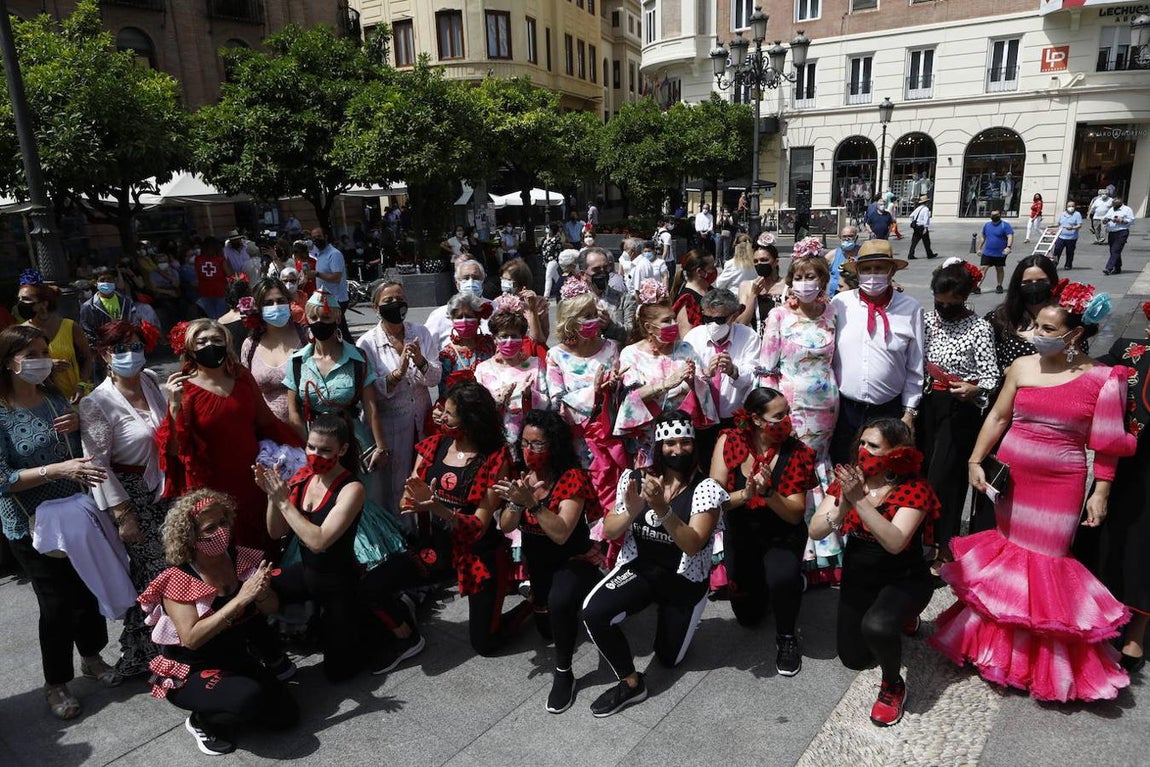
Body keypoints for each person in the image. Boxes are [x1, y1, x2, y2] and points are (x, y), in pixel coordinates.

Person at [933, 282, 1136, 702]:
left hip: (1061, 484)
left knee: (1047, 564)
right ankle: (994, 651)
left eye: (1047, 328)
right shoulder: (1022, 367)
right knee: (1010, 560)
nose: (1037, 334)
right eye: (1036, 326)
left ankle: (1039, 664)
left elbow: (1107, 443)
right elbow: (998, 417)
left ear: (1075, 334)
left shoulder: (1103, 378)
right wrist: (975, 460)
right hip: (1012, 478)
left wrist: (1100, 492)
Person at [0, 325, 122, 720]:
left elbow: (78, 448)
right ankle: (55, 683)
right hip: (31, 524)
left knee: (87, 590)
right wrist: (57, 469)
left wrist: (78, 425)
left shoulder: (53, 398)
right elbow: (2, 479)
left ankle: (92, 657)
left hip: (75, 513)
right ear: (8, 362)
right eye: (31, 353)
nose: (42, 360)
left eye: (43, 351)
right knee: (55, 604)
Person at [582, 410, 728, 717]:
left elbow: (692, 542)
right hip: (642, 568)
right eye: (670, 443)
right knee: (593, 612)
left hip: (683, 582)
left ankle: (685, 611)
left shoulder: (706, 489)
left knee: (668, 659)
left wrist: (662, 508)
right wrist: (631, 511)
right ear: (658, 446)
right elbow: (609, 531)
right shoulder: (635, 479)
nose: (678, 450)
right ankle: (631, 682)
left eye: (685, 442)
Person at [256, 414, 422, 681]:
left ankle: (396, 613)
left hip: (339, 583)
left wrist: (285, 503)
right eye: (311, 447)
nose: (314, 455)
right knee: (256, 590)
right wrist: (272, 497)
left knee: (338, 674)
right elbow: (276, 532)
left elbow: (318, 541)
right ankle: (273, 656)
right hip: (307, 572)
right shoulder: (303, 476)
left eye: (325, 450)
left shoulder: (351, 488)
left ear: (342, 450)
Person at [137, 490, 298, 756]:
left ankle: (240, 695)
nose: (221, 531)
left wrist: (263, 593)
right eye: (210, 528)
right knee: (248, 698)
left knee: (287, 717)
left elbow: (272, 608)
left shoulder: (239, 558)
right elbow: (191, 638)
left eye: (223, 522)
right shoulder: (178, 578)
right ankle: (203, 721)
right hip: (191, 670)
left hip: (232, 658)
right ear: (190, 536)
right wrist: (241, 599)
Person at [808, 418, 939, 726]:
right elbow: (815, 530)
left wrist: (859, 501)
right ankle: (895, 618)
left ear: (896, 452)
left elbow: (895, 542)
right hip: (860, 571)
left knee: (877, 627)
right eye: (862, 443)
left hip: (903, 574)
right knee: (854, 659)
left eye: (874, 446)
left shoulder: (914, 487)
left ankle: (893, 684)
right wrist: (841, 509)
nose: (864, 450)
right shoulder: (851, 480)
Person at [403, 381, 531, 655]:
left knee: (485, 644)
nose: (441, 417)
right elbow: (412, 489)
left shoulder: (495, 459)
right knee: (379, 582)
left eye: (449, 414)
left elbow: (480, 525)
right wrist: (413, 500)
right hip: (438, 550)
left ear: (471, 421)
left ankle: (533, 605)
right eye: (442, 410)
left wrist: (438, 508)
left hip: (478, 555)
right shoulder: (435, 444)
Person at [158, 319, 302, 553]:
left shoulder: (242, 377)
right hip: (212, 486)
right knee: (227, 548)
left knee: (264, 545)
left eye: (216, 340)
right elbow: (175, 451)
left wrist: (302, 450)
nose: (209, 346)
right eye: (201, 341)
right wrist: (174, 408)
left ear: (227, 344)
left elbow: (267, 422)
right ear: (190, 348)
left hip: (252, 479)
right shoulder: (184, 389)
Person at [494, 410, 604, 713]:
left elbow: (561, 533)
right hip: (538, 563)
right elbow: (505, 526)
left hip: (573, 558)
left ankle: (564, 672)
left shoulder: (572, 477)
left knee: (560, 601)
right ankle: (538, 602)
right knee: (547, 627)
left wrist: (534, 504)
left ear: (554, 445)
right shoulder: (521, 477)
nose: (530, 451)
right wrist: (517, 502)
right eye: (526, 443)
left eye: (538, 444)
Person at [79, 320, 170, 677]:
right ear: (104, 355)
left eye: (135, 346)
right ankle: (156, 651)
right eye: (120, 349)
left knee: (173, 567)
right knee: (157, 573)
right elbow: (97, 465)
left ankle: (163, 646)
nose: (130, 355)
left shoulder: (148, 380)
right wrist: (123, 515)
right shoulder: (97, 403)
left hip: (165, 487)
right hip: (132, 497)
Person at [711, 389, 817, 675]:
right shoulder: (729, 441)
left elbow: (795, 514)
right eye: (778, 416)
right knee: (748, 617)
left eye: (787, 413)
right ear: (757, 420)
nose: (787, 420)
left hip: (781, 534)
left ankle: (786, 637)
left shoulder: (798, 453)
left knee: (781, 579)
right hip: (742, 535)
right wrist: (745, 495)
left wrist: (768, 492)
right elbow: (714, 496)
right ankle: (773, 586)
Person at [1075, 314, 1150, 674]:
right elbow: (1087, 372)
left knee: (1146, 551)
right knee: (1104, 538)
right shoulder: (1129, 351)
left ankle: (1138, 629)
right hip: (1124, 468)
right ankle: (1097, 615)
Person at [759, 254, 841, 574]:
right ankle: (797, 543)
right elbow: (767, 369)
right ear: (791, 280)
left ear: (822, 280)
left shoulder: (833, 312)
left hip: (827, 405)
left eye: (813, 276)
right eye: (800, 276)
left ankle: (826, 548)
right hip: (791, 403)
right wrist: (774, 412)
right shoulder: (779, 316)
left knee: (819, 465)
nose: (806, 282)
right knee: (796, 464)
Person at [920, 261, 999, 562]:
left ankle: (944, 546)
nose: (945, 309)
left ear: (965, 297)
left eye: (952, 303)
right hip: (929, 404)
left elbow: (991, 374)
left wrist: (975, 388)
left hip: (959, 409)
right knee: (923, 472)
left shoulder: (979, 328)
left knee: (946, 481)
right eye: (940, 303)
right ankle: (919, 539)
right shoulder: (928, 321)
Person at [829, 240, 923, 466]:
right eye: (867, 269)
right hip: (845, 410)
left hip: (888, 410)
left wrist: (909, 413)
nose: (873, 275)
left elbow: (915, 365)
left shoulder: (910, 308)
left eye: (879, 268)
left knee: (883, 474)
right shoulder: (841, 303)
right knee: (844, 469)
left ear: (891, 271)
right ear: (858, 272)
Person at [357, 281, 440, 512]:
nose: (396, 305)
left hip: (421, 420)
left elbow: (434, 378)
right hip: (388, 425)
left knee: (421, 478)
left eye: (400, 299)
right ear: (376, 308)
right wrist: (399, 372)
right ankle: (397, 533)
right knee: (390, 484)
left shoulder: (420, 333)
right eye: (389, 301)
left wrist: (421, 362)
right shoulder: (367, 343)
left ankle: (421, 534)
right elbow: (371, 393)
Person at [615, 281, 717, 467]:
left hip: (683, 439)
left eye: (673, 319)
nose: (673, 324)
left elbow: (702, 390)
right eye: (666, 321)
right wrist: (667, 384)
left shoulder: (685, 348)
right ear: (648, 327)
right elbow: (631, 399)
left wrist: (696, 381)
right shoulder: (631, 353)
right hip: (649, 441)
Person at [546, 284, 625, 519]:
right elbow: (557, 402)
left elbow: (622, 392)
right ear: (570, 321)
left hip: (609, 439)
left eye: (594, 314)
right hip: (575, 443)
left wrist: (614, 388)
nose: (593, 320)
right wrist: (594, 391)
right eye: (586, 316)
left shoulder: (611, 348)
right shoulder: (556, 355)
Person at [683, 288, 760, 462]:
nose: (712, 324)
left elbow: (754, 377)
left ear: (733, 316)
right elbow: (684, 377)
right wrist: (704, 374)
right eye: (708, 319)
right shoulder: (693, 338)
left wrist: (733, 371)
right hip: (701, 419)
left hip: (733, 418)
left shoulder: (749, 337)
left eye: (719, 319)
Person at [474, 302, 549, 455]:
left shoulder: (535, 364)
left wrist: (530, 396)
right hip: (494, 441)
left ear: (522, 338)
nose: (509, 341)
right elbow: (477, 409)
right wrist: (498, 401)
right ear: (495, 339)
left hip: (529, 444)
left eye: (514, 336)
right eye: (503, 336)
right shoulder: (483, 369)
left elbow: (549, 403)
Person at [16, 270, 93, 401]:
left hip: (77, 397)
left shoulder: (70, 326)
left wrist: (81, 385)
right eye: (19, 299)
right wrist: (47, 365)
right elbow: (15, 367)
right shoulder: (21, 332)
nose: (20, 303)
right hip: (44, 401)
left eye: (26, 299)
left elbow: (87, 357)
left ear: (43, 304)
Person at [242, 277, 307, 424]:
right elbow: (247, 391)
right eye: (268, 303)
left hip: (309, 432)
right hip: (269, 434)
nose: (276, 306)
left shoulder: (306, 337)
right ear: (258, 308)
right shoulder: (250, 345)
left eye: (281, 301)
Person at [425, 259, 490, 349]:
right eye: (466, 278)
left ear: (482, 283)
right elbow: (426, 346)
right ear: (457, 284)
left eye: (475, 278)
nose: (471, 282)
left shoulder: (496, 309)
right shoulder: (439, 315)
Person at [437, 292, 495, 389]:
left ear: (478, 319)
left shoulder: (491, 345)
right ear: (452, 320)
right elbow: (445, 391)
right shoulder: (446, 355)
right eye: (459, 317)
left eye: (469, 316)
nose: (464, 321)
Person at [578, 247, 635, 344]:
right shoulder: (575, 301)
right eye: (596, 269)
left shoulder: (625, 299)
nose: (602, 272)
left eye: (605, 268)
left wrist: (609, 325)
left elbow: (632, 334)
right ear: (583, 274)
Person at [80, 266, 140, 348]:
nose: (106, 282)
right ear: (95, 283)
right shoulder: (88, 307)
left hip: (127, 346)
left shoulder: (126, 301)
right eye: (102, 280)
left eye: (109, 279)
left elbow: (134, 321)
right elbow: (87, 330)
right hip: (105, 349)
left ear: (115, 281)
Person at [735, 238, 787, 332]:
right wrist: (753, 295)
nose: (759, 264)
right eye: (756, 261)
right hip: (757, 341)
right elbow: (741, 323)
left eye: (764, 260)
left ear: (776, 262)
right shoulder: (746, 286)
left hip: (782, 342)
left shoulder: (787, 286)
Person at [311, 228, 351, 341]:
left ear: (325, 237)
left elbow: (336, 277)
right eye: (313, 238)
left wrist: (317, 274)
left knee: (340, 330)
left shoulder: (334, 254)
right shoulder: (320, 254)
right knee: (336, 330)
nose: (316, 240)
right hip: (326, 299)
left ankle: (353, 353)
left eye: (318, 236)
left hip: (337, 299)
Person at [499, 258, 550, 345]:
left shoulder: (539, 303)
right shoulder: (499, 301)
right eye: (502, 279)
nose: (504, 282)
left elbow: (542, 338)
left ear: (520, 281)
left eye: (508, 280)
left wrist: (532, 309)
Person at [671, 250, 717, 339]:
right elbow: (687, 339)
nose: (714, 270)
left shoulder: (711, 290)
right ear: (700, 272)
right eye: (712, 267)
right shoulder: (686, 300)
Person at [976, 209, 1014, 295]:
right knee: (983, 269)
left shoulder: (1005, 225)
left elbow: (1010, 236)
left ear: (1000, 215)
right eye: (992, 215)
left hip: (1000, 253)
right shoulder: (987, 225)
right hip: (987, 252)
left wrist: (1008, 247)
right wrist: (979, 248)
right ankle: (977, 286)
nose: (994, 216)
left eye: (996, 215)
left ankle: (999, 285)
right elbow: (983, 238)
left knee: (999, 268)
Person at [194, 238, 231, 320]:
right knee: (221, 317)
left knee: (211, 317)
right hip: (220, 290)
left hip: (204, 291)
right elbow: (229, 275)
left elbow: (197, 275)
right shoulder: (220, 260)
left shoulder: (197, 259)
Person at [1101, 196, 1135, 276]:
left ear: (1120, 203)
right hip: (1112, 232)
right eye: (1113, 204)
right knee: (1113, 250)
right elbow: (1105, 217)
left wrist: (1122, 220)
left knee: (1115, 250)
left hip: (1122, 232)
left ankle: (1108, 268)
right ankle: (1118, 267)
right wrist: (1105, 220)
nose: (1114, 206)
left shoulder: (1127, 209)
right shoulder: (1111, 209)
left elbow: (1132, 220)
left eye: (1116, 204)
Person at [826, 226, 861, 295]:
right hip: (834, 295)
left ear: (856, 238)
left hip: (856, 295)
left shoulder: (862, 253)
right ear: (840, 238)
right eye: (844, 236)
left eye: (850, 236)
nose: (847, 239)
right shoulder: (832, 255)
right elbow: (819, 272)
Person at [1050, 199, 1084, 269]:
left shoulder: (1077, 214)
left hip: (1071, 238)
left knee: (1070, 252)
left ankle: (1068, 265)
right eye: (1069, 206)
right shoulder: (1062, 214)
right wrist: (1052, 226)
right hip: (1061, 236)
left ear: (1075, 207)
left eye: (1072, 206)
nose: (1071, 207)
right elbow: (1058, 224)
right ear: (1066, 206)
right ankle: (1054, 264)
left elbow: (1079, 225)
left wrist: (1072, 228)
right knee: (1057, 251)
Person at [906, 196, 937, 261]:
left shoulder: (918, 208)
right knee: (926, 241)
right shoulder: (926, 209)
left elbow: (911, 216)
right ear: (926, 202)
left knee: (914, 241)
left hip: (916, 227)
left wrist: (914, 221)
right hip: (922, 227)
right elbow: (926, 219)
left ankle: (910, 255)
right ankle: (929, 254)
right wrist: (926, 227)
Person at [540, 221, 566, 300]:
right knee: (556, 277)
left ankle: (546, 296)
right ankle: (563, 289)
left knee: (548, 276)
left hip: (553, 260)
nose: (547, 229)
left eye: (548, 228)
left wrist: (559, 260)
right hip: (546, 261)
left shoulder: (557, 239)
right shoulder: (545, 238)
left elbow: (560, 250)